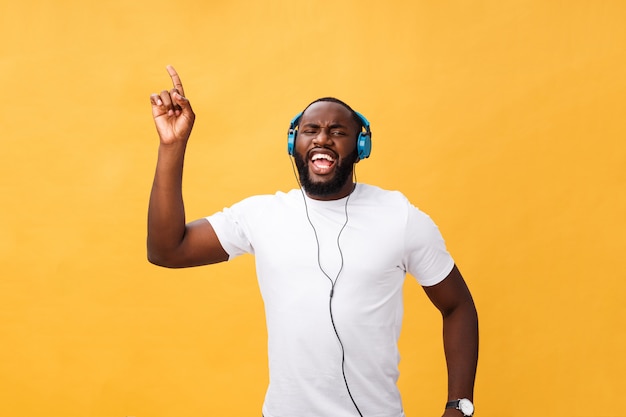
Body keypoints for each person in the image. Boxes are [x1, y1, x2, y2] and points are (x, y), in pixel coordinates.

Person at [147, 65, 479, 417]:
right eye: (311, 130)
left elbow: (458, 307)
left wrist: (459, 407)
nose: (322, 138)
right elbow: (168, 250)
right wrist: (172, 145)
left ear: (360, 146)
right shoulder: (261, 215)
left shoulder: (401, 216)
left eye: (338, 131)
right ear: (295, 144)